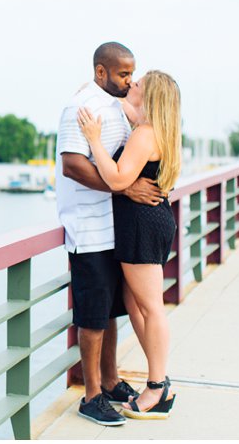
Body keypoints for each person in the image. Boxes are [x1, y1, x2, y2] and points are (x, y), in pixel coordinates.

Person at [56, 42, 167, 426]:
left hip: (117, 226)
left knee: (110, 312)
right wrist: (124, 188)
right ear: (101, 73)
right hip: (89, 227)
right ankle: (91, 396)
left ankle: (111, 380)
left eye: (132, 74)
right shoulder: (81, 108)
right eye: (123, 74)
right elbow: (72, 165)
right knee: (92, 316)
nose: (130, 80)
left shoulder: (118, 108)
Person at [77, 69, 181, 420]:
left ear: (149, 97)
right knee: (135, 304)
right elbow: (127, 106)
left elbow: (118, 177)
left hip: (140, 225)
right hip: (151, 221)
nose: (131, 85)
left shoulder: (144, 135)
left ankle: (158, 386)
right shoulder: (160, 130)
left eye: (137, 84)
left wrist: (93, 139)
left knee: (150, 307)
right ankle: (157, 381)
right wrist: (93, 90)